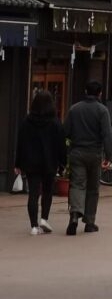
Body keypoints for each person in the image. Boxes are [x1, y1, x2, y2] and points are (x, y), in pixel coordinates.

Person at [63, 79, 112, 235]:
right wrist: (108, 156)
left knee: (77, 185)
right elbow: (107, 135)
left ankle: (74, 215)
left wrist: (66, 152)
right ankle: (89, 222)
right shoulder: (102, 111)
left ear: (85, 92)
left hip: (77, 153)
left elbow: (65, 132)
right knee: (93, 188)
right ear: (99, 94)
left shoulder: (74, 109)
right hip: (95, 154)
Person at [15, 90, 67, 235]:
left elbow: (21, 143)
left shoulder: (27, 122)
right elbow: (61, 145)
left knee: (33, 193)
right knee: (47, 191)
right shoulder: (55, 122)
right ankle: (44, 218)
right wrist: (63, 163)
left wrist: (17, 164)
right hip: (49, 162)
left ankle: (33, 226)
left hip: (31, 163)